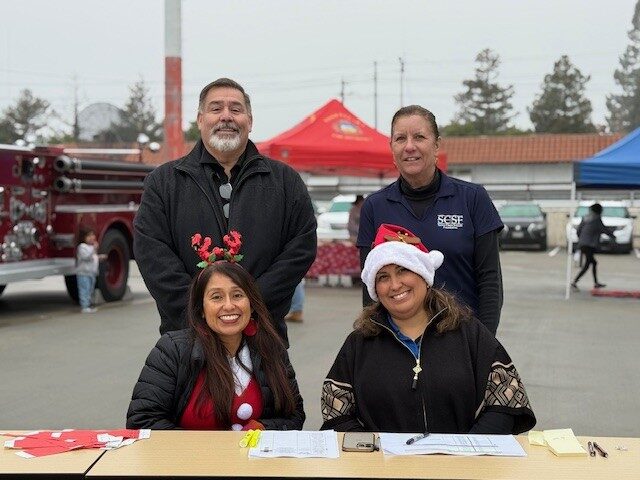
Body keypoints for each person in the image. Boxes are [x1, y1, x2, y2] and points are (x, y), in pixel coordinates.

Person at [134, 78, 317, 343]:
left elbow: (300, 249)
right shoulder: (164, 182)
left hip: (263, 339)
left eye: (236, 109)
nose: (226, 116)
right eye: (216, 108)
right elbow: (152, 254)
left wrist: (248, 306)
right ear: (200, 120)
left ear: (250, 121)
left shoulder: (285, 182)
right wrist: (201, 311)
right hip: (187, 339)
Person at [321, 224, 535, 434]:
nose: (395, 285)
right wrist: (374, 450)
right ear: (375, 288)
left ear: (423, 276)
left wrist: (468, 448)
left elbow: (505, 401)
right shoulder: (359, 343)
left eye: (403, 270)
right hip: (383, 458)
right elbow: (336, 411)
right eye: (383, 277)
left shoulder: (469, 332)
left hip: (464, 457)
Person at [127, 232, 305, 430]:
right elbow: (142, 420)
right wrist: (210, 446)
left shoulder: (271, 348)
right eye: (216, 297)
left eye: (237, 295)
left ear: (252, 304)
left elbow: (295, 415)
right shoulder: (172, 350)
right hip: (191, 452)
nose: (229, 306)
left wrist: (264, 428)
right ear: (201, 309)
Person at [357, 105, 503, 335]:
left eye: (419, 137)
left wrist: (483, 342)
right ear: (392, 147)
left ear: (436, 145)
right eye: (400, 139)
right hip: (401, 341)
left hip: (462, 337)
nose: (409, 146)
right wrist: (378, 341)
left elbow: (490, 280)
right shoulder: (375, 206)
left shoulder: (473, 198)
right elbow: (370, 288)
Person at [571, 203, 615, 290]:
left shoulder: (585, 218)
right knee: (588, 264)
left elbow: (578, 231)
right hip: (589, 245)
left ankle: (595, 282)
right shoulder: (597, 219)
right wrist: (613, 236)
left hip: (583, 244)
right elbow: (604, 229)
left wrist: (581, 239)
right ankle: (575, 282)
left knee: (592, 263)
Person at [75, 227, 105, 314]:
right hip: (83, 273)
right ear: (83, 238)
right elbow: (86, 257)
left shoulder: (91, 248)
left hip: (92, 273)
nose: (92, 237)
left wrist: (99, 257)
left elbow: (93, 258)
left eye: (92, 235)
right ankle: (84, 306)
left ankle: (88, 305)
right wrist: (94, 249)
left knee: (90, 290)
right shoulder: (82, 247)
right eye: (88, 236)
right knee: (84, 289)